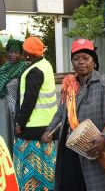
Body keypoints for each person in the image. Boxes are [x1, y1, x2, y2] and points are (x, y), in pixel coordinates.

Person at [42, 38, 105, 191]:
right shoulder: (70, 85)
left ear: (94, 61)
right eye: (76, 59)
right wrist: (49, 130)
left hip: (96, 150)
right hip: (70, 151)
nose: (80, 62)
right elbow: (60, 113)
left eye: (85, 57)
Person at [14, 36, 57, 191]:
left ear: (28, 54)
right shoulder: (45, 64)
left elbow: (29, 101)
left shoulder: (34, 71)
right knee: (46, 167)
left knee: (29, 170)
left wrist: (20, 122)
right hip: (48, 127)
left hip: (32, 129)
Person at [0, 39, 27, 153]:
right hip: (3, 110)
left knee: (16, 139)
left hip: (16, 109)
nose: (13, 55)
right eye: (11, 52)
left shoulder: (24, 68)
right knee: (4, 137)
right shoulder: (3, 69)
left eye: (16, 52)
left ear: (21, 54)